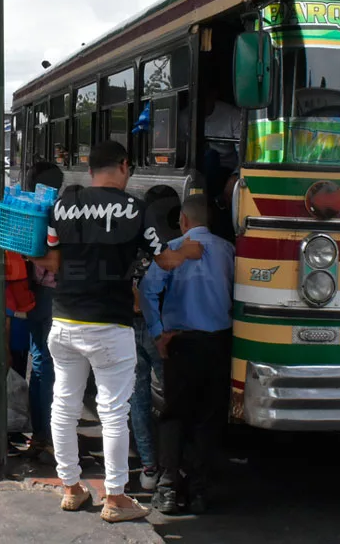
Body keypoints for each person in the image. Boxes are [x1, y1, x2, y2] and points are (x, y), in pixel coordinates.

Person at [29, 141, 204, 523]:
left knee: (64, 405)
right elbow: (165, 259)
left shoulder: (63, 205)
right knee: (113, 411)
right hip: (110, 325)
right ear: (124, 165)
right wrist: (187, 252)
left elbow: (51, 260)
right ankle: (116, 496)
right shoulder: (136, 209)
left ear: (90, 169)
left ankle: (71, 488)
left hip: (65, 321)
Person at [139, 195, 234, 515]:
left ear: (183, 220)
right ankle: (199, 492)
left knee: (174, 415)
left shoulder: (172, 250)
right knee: (208, 418)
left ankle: (167, 489)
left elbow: (147, 291)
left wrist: (157, 333)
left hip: (179, 344)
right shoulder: (228, 251)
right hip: (218, 344)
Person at [129, 185, 183, 492]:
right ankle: (173, 465)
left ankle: (149, 466)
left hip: (129, 327)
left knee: (138, 399)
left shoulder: (133, 240)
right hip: (161, 330)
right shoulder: (170, 246)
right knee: (173, 399)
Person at [19, 161, 63, 462]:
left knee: (40, 363)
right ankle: (51, 434)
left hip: (34, 293)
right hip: (55, 294)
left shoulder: (28, 211)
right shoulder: (60, 212)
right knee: (55, 366)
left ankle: (41, 434)